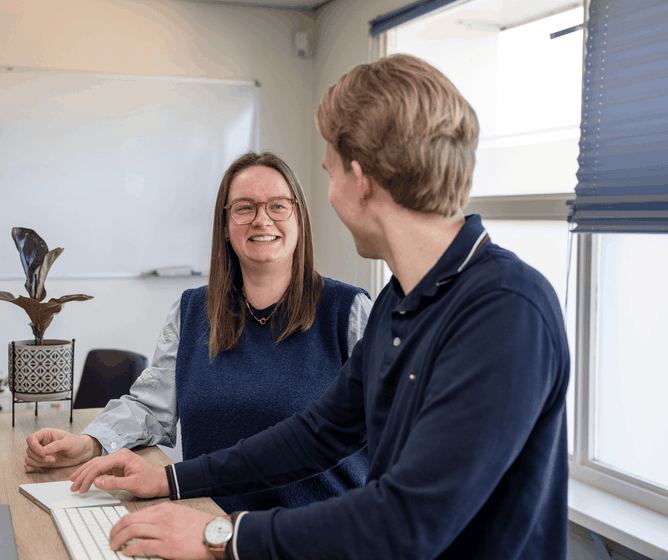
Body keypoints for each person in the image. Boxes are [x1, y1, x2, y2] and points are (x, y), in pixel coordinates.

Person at [65, 54, 570, 560]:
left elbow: (408, 521)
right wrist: (171, 478)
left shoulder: (505, 311)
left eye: (329, 171)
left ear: (361, 177)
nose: (328, 194)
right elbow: (317, 434)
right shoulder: (403, 300)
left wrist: (219, 536)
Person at [24, 151, 372, 514]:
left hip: (315, 537)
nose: (261, 219)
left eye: (278, 206)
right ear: (224, 224)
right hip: (205, 527)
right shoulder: (192, 311)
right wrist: (90, 441)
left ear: (299, 218)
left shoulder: (348, 312)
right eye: (244, 208)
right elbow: (152, 407)